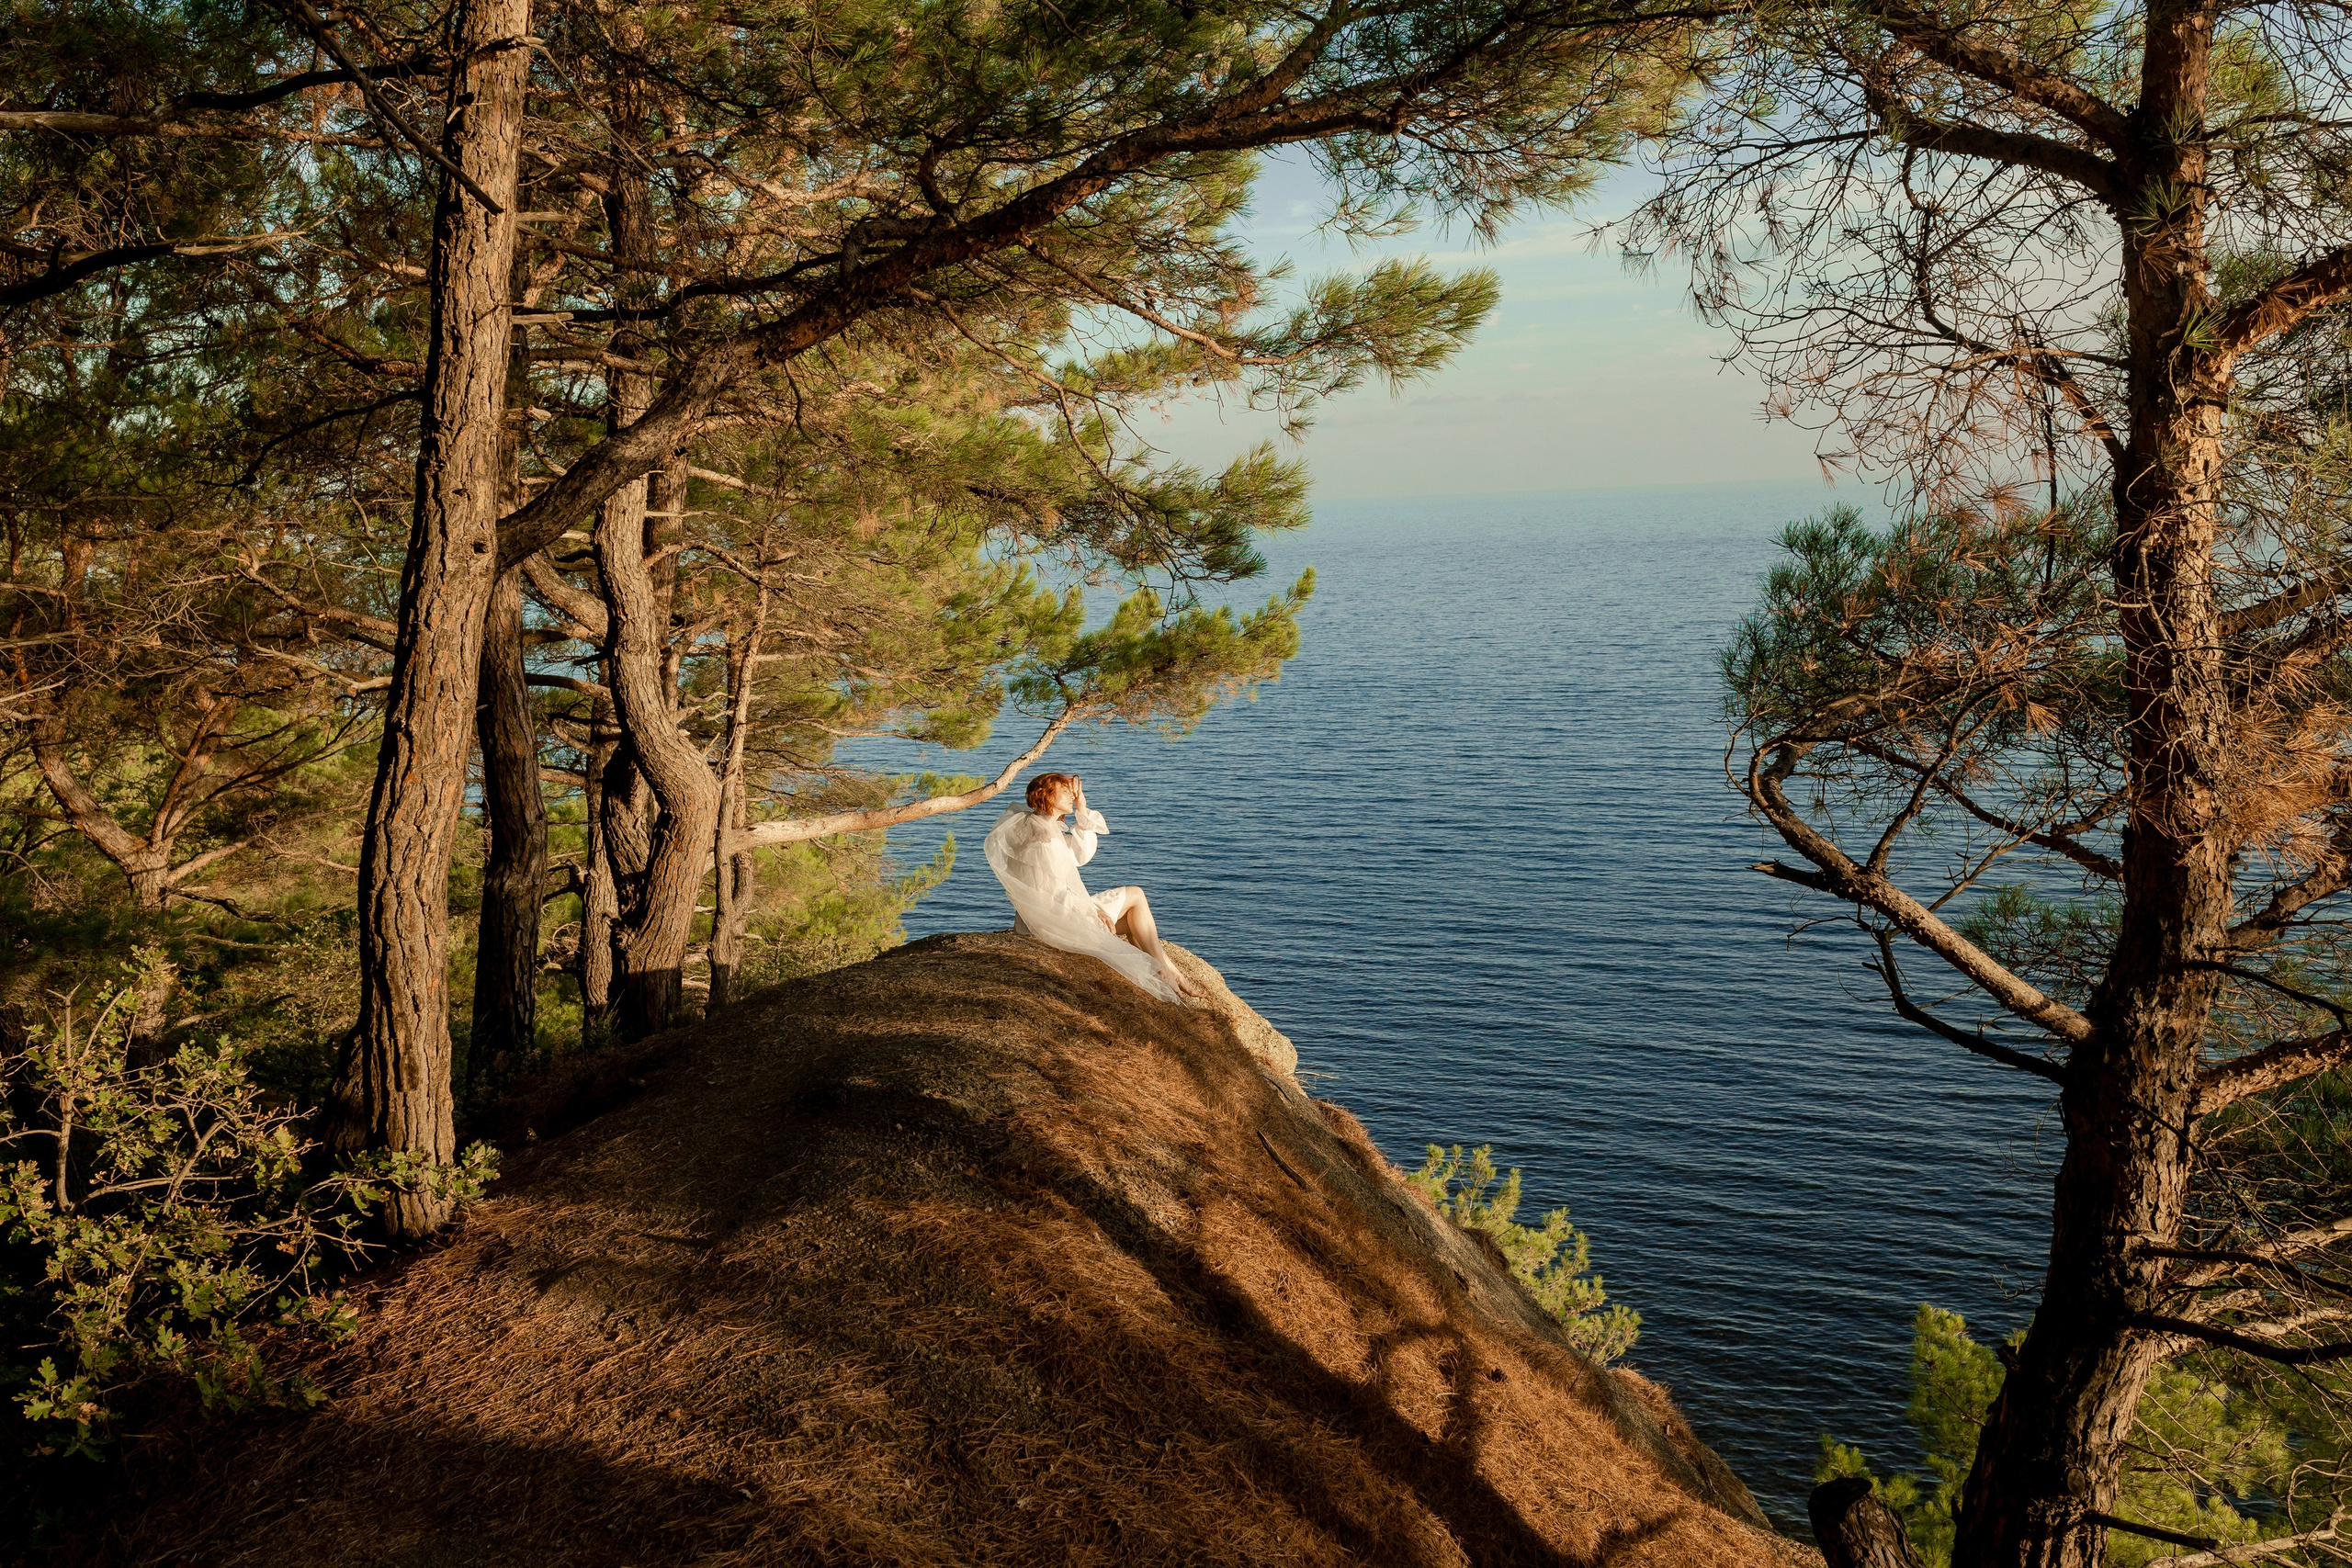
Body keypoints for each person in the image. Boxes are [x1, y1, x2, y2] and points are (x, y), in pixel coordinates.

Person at [982, 772, 1206, 1003]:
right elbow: (1051, 893)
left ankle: (1171, 973)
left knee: (1133, 918)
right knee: (1136, 895)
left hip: (1052, 913)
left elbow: (1079, 855)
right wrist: (1091, 909)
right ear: (1047, 796)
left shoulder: (1044, 827)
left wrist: (1082, 808)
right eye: (1066, 791)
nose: (1072, 795)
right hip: (1055, 916)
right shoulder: (1041, 838)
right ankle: (1167, 972)